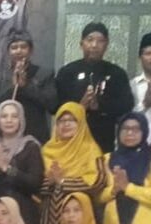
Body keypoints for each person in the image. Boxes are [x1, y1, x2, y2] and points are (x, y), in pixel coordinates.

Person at [56, 21, 134, 153]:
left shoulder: (117, 73)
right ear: (81, 43)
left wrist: (100, 106)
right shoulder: (67, 72)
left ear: (106, 45)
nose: (94, 45)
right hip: (71, 138)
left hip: (104, 139)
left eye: (100, 41)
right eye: (90, 40)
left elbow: (127, 105)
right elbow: (56, 106)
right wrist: (80, 107)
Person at [40, 102, 105, 224]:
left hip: (81, 213)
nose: (66, 124)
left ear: (81, 123)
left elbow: (99, 181)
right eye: (61, 121)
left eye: (72, 120)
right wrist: (50, 182)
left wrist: (63, 182)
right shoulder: (46, 150)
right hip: (49, 216)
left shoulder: (90, 149)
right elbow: (36, 182)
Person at [0, 29, 58, 144]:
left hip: (34, 138)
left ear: (31, 50)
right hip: (4, 140)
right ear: (8, 51)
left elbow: (52, 106)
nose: (19, 51)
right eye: (14, 48)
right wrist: (12, 87)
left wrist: (26, 86)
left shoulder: (44, 73)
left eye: (23, 47)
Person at [131, 32, 151, 144]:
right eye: (148, 53)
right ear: (140, 57)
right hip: (139, 147)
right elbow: (126, 120)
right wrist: (145, 104)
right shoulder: (132, 85)